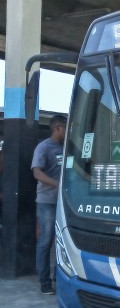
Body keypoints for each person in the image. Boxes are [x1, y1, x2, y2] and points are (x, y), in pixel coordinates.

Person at [32, 115, 66, 295]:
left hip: (63, 203)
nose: (68, 131)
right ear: (58, 128)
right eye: (66, 128)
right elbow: (37, 173)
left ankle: (58, 278)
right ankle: (44, 282)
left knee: (62, 242)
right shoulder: (43, 147)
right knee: (46, 241)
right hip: (46, 202)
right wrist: (57, 184)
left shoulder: (66, 148)